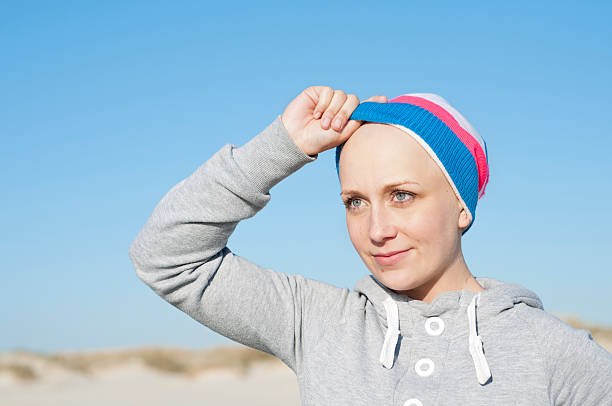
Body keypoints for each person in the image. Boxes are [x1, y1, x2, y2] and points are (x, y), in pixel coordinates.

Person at [128, 86, 612, 405]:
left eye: (402, 196)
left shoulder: (554, 351)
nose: (376, 229)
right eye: (355, 202)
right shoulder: (317, 324)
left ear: (462, 206)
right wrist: (283, 145)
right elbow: (166, 256)